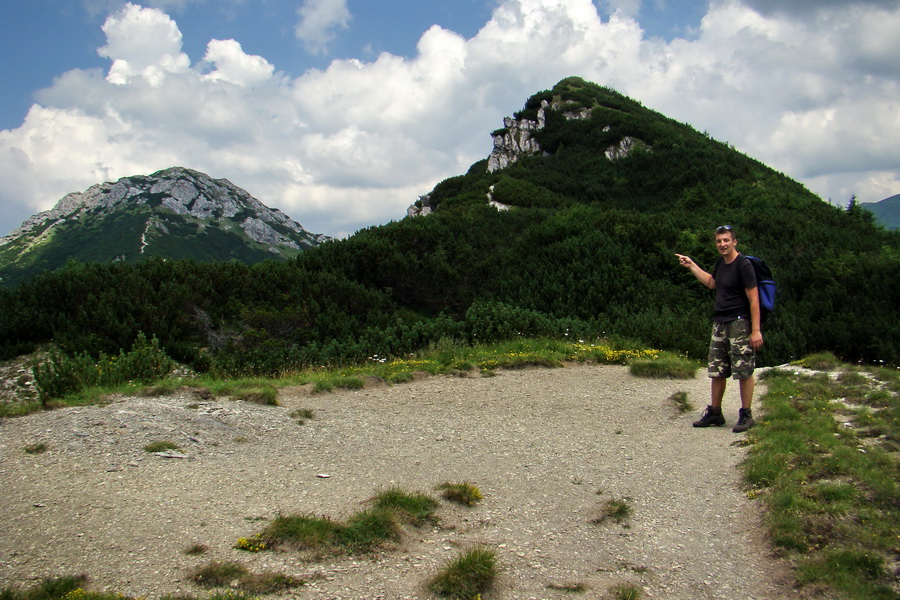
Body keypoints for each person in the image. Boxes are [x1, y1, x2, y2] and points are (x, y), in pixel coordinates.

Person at [675, 225, 763, 433]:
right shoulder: (721, 263)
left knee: (743, 370)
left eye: (726, 240)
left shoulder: (744, 265)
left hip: (739, 323)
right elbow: (711, 283)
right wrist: (691, 265)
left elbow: (754, 299)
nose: (722, 244)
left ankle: (746, 414)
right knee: (717, 369)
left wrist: (756, 330)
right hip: (720, 322)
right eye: (719, 241)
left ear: (735, 242)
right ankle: (715, 412)